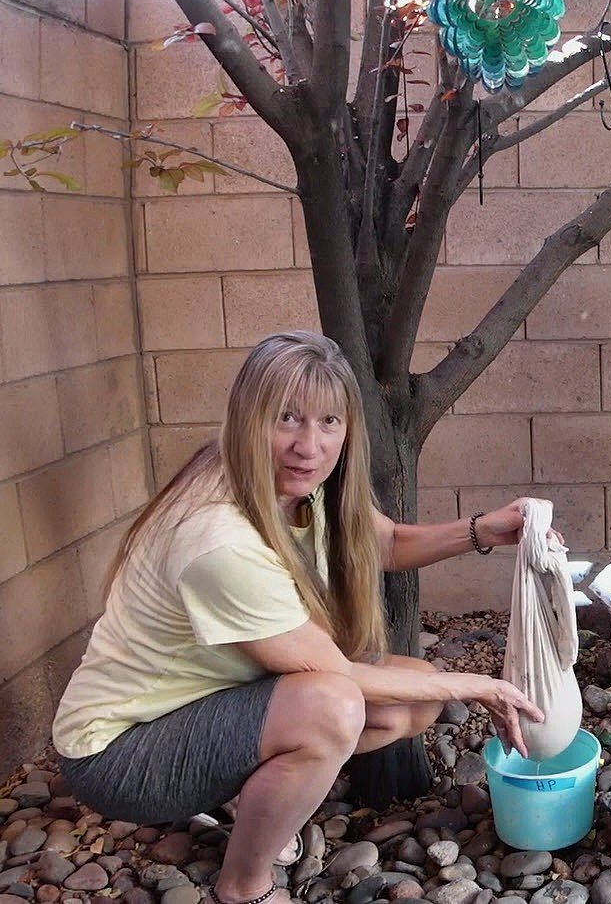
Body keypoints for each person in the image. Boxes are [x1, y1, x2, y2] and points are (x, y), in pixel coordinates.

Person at [51, 331, 548, 904]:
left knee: (411, 701)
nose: (308, 446)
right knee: (330, 707)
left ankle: (250, 790)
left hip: (199, 705)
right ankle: (243, 886)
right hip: (117, 752)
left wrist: (482, 531)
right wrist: (480, 684)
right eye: (286, 418)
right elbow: (338, 674)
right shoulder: (219, 541)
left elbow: (381, 545)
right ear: (247, 417)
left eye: (328, 423)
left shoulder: (298, 485)